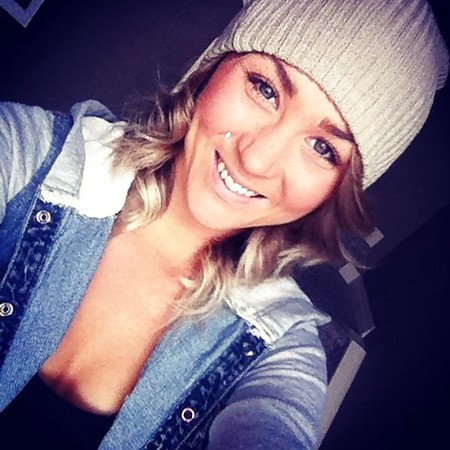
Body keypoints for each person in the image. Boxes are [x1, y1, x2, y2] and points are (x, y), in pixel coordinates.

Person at [0, 0, 447, 448]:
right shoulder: (32, 154)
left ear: (337, 191)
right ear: (211, 69)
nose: (256, 160)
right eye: (265, 89)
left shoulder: (280, 345)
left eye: (322, 148)